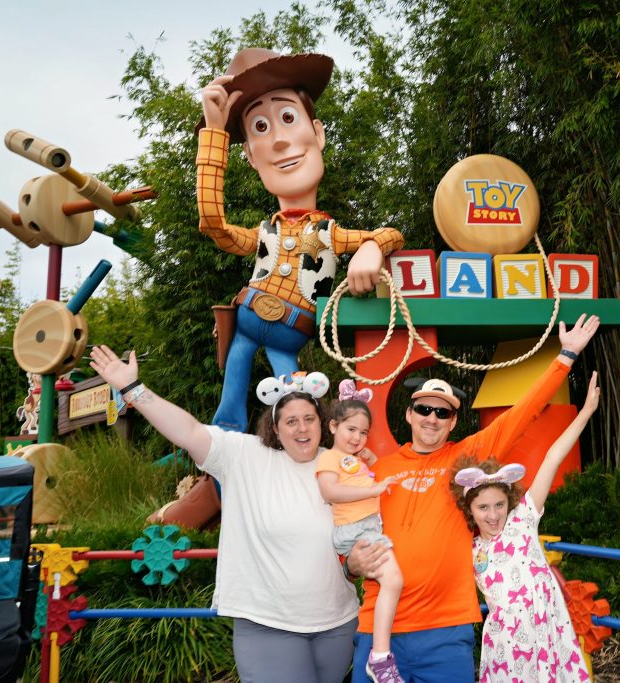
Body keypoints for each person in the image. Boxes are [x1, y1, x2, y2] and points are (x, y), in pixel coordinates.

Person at [346, 314, 601, 682]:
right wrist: (349, 564)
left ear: (453, 422)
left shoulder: (463, 459)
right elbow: (345, 525)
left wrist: (565, 358)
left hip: (446, 630)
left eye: (443, 412)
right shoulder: (377, 470)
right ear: (408, 414)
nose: (432, 418)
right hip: (379, 628)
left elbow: (522, 413)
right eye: (424, 408)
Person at [89, 345, 358, 683]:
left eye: (309, 419)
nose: (301, 428)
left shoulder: (343, 464)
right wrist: (133, 390)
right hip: (267, 623)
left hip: (338, 623)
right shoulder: (244, 456)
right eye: (291, 421)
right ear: (275, 428)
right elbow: (187, 431)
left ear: (323, 423)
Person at [198, 48, 406, 432]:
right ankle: (219, 472)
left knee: (299, 410)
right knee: (229, 407)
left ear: (318, 132)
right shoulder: (264, 232)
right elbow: (214, 224)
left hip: (290, 331)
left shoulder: (328, 232)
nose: (277, 141)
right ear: (249, 155)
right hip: (246, 320)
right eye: (260, 127)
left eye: (288, 117)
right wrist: (212, 133)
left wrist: (372, 247)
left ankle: (303, 462)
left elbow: (392, 233)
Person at [450, 373, 600, 682]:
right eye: (483, 507)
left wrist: (585, 411)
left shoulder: (523, 519)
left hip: (546, 633)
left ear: (510, 502)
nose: (493, 515)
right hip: (507, 647)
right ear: (470, 509)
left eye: (499, 505)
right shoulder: (470, 548)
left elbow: (553, 457)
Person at [315, 381, 404, 683]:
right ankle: (379, 658)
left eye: (363, 432)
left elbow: (366, 480)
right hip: (355, 532)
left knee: (391, 582)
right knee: (393, 580)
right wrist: (376, 488)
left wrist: (374, 464)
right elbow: (331, 491)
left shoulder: (353, 460)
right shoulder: (329, 458)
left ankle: (380, 654)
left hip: (367, 528)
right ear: (333, 426)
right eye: (350, 429)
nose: (357, 437)